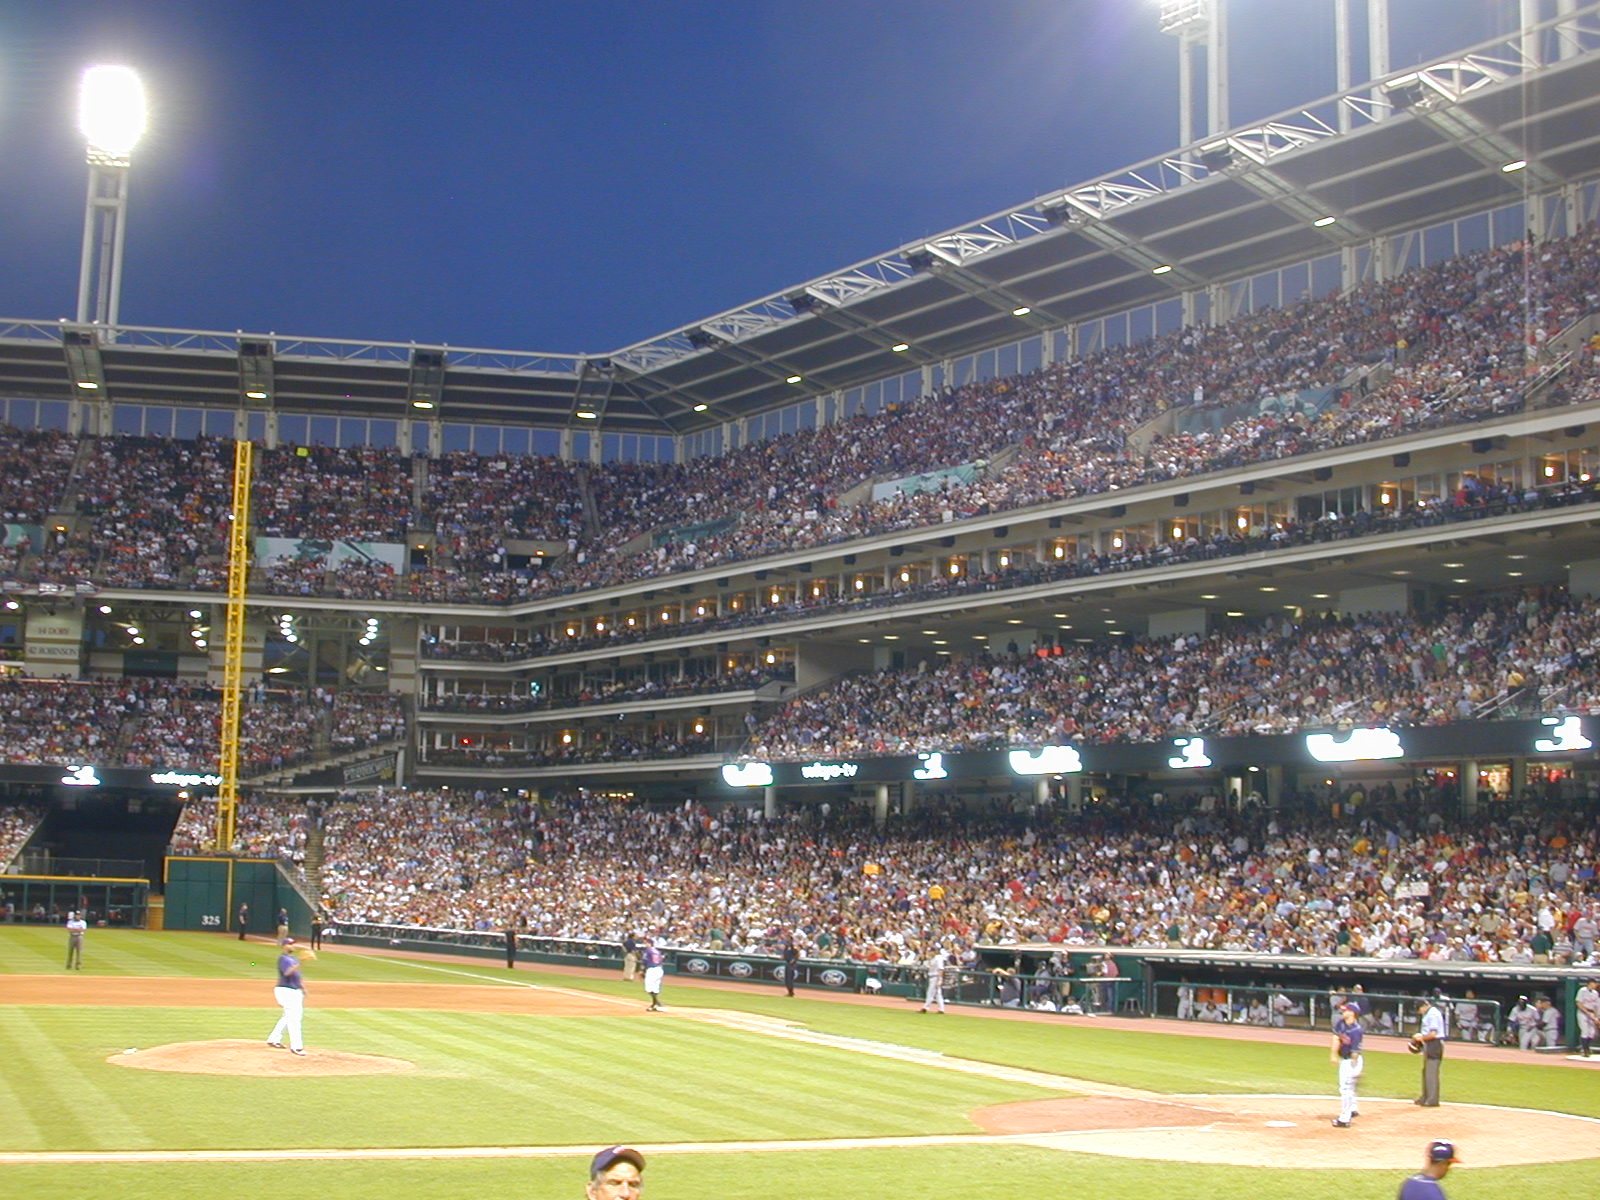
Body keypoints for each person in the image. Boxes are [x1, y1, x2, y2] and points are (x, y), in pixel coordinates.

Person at [267, 937, 312, 1055]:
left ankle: (274, 1038)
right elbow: (287, 973)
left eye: (293, 944)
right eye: (290, 944)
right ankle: (296, 1047)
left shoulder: (293, 959)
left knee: (289, 1016)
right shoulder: (283, 959)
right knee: (294, 1018)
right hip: (286, 990)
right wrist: (301, 962)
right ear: (284, 946)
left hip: (295, 990)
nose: (293, 946)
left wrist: (303, 988)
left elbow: (297, 976)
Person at [1330, 1002, 1364, 1127]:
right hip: (1346, 1059)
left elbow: (1355, 1053)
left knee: (1346, 1089)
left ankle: (1344, 1119)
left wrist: (1356, 1070)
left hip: (1352, 1061)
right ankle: (1353, 1109)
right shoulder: (1341, 1023)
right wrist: (1333, 1055)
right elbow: (1336, 1038)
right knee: (1350, 1088)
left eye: (1345, 1010)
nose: (1342, 1012)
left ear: (1352, 1013)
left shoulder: (1357, 1030)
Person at [1413, 996, 1446, 1106]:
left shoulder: (1433, 1014)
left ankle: (1432, 1100)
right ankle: (1425, 1097)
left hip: (1434, 1044)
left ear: (1424, 1006)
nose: (1419, 1012)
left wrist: (1420, 1038)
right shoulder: (1429, 1013)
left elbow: (1433, 1034)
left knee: (1431, 1072)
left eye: (1419, 1009)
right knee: (1426, 1071)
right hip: (1430, 1044)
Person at [920, 941, 948, 1013]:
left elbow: (941, 969)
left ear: (934, 952)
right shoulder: (932, 958)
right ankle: (941, 1009)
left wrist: (940, 980)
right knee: (938, 994)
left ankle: (926, 1007)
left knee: (930, 993)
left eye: (930, 951)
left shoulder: (938, 958)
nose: (929, 953)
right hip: (932, 976)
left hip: (936, 977)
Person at [1576, 979, 1600, 1057]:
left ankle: (1586, 1047)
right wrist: (1587, 1013)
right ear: (1590, 983)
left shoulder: (1595, 993)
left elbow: (1596, 1007)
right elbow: (1578, 1003)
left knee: (1592, 1033)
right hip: (1582, 1012)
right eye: (1594, 983)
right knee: (1585, 1031)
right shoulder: (1582, 990)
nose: (1595, 985)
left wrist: (1596, 1018)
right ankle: (1585, 1050)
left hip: (1592, 1012)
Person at [641, 938, 665, 1011]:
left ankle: (658, 1004)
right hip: (659, 969)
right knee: (655, 988)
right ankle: (654, 1005)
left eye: (646, 943)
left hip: (652, 970)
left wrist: (642, 970)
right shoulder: (657, 951)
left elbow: (644, 961)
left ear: (650, 943)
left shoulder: (648, 950)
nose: (645, 945)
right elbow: (661, 961)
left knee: (649, 987)